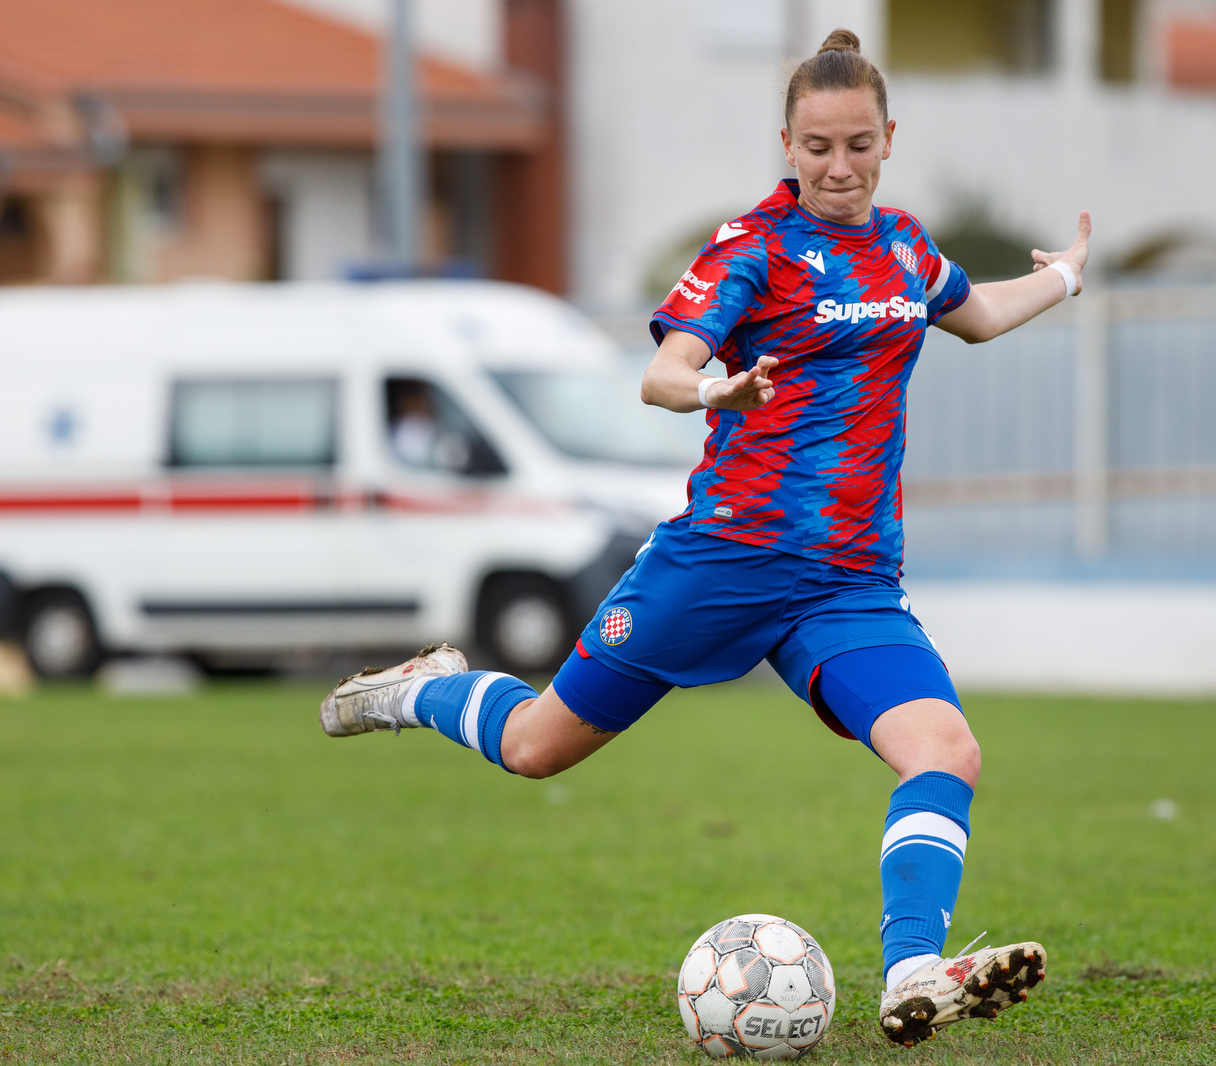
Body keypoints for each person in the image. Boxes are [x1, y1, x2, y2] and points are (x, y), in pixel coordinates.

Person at [319, 28, 1090, 1048]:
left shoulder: (905, 246)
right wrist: (710, 385)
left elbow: (978, 310)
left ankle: (912, 971)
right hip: (720, 561)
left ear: (889, 137)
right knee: (536, 745)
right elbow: (662, 369)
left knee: (945, 749)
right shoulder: (753, 248)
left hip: (848, 584)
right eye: (817, 145)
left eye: (857, 143)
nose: (837, 165)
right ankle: (420, 687)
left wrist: (1068, 277)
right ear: (786, 141)